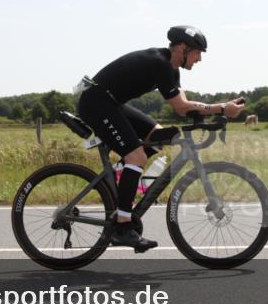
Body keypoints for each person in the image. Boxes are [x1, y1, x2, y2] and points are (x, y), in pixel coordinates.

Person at [77, 26, 245, 252]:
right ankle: (123, 227)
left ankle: (122, 178)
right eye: (198, 52)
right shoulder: (159, 63)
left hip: (110, 103)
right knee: (136, 157)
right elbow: (182, 107)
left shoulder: (171, 69)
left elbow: (183, 108)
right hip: (96, 103)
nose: (200, 59)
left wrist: (216, 112)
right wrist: (223, 108)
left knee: (158, 137)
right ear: (183, 48)